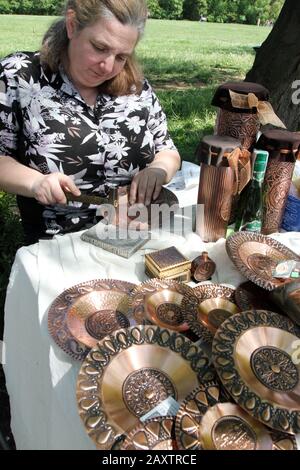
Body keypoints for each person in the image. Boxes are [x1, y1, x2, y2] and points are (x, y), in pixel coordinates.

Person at [0, 0, 181, 244]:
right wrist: (36, 182)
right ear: (72, 25)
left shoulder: (135, 87)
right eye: (99, 47)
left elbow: (167, 150)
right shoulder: (19, 78)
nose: (107, 67)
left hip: (140, 235)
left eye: (121, 57)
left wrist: (159, 169)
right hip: (63, 246)